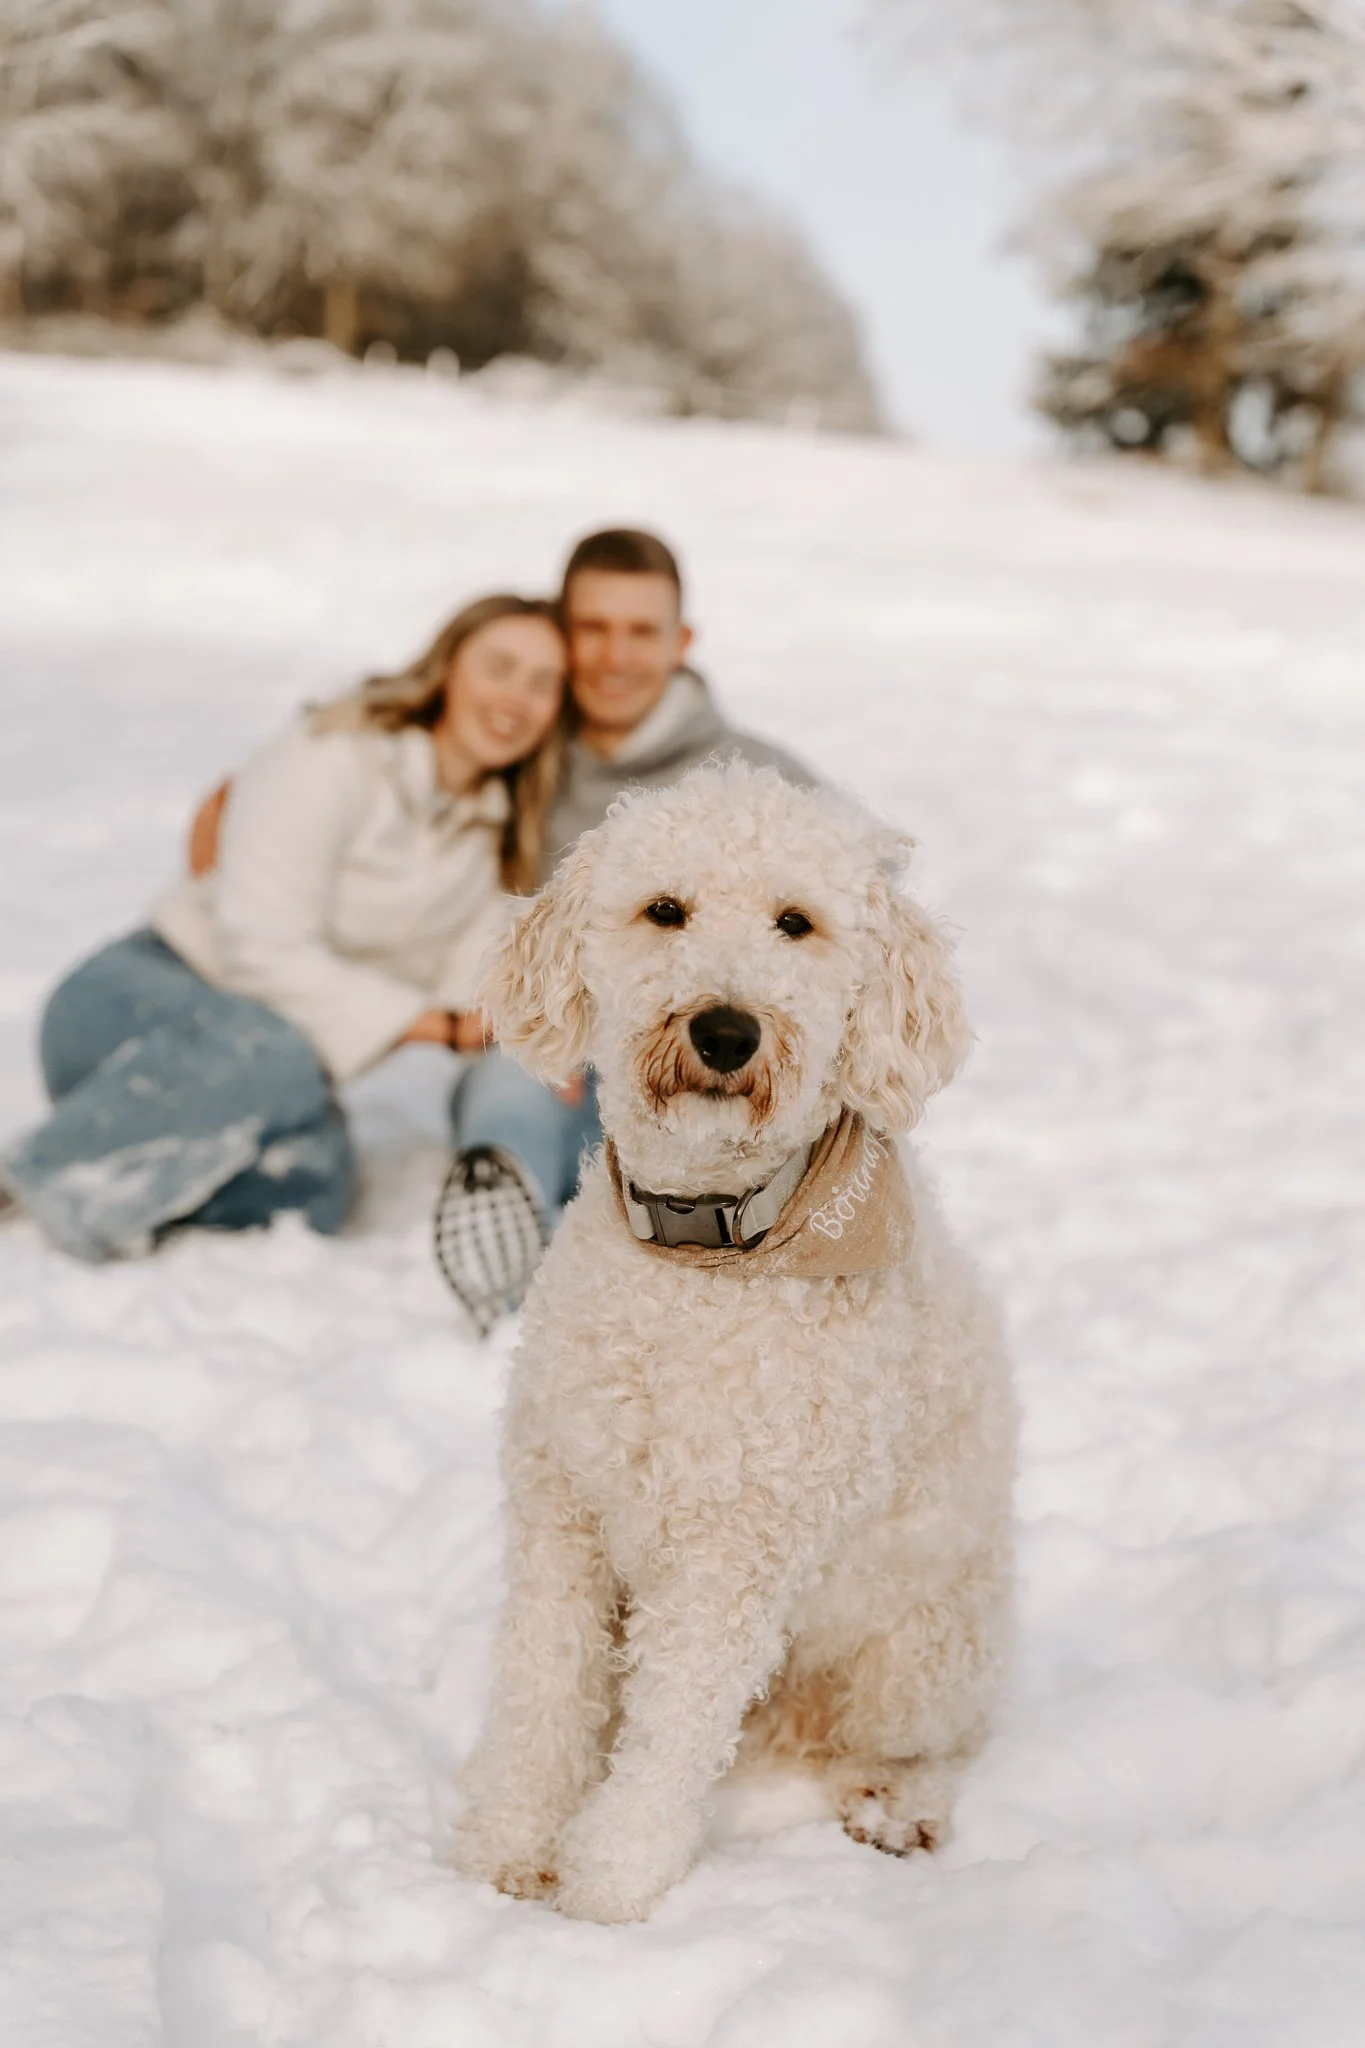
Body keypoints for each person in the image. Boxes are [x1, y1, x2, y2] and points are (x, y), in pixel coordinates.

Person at [0, 596, 569, 1262]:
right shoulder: (336, 750)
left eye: (541, 684)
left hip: (271, 1069)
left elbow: (468, 982)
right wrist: (435, 1028)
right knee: (276, 1052)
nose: (517, 698)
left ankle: (132, 1177)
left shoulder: (493, 834)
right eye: (499, 667)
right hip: (141, 1001)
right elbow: (261, 951)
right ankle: (34, 1176)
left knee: (318, 1186)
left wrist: (541, 1040)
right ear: (447, 669)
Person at [437, 528, 811, 1319]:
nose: (614, 656)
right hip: (559, 1029)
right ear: (561, 632)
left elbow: (855, 908)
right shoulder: (526, 749)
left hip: (709, 1030)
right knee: (522, 1067)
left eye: (640, 631)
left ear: (681, 641)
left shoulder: (757, 777)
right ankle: (501, 1218)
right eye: (593, 629)